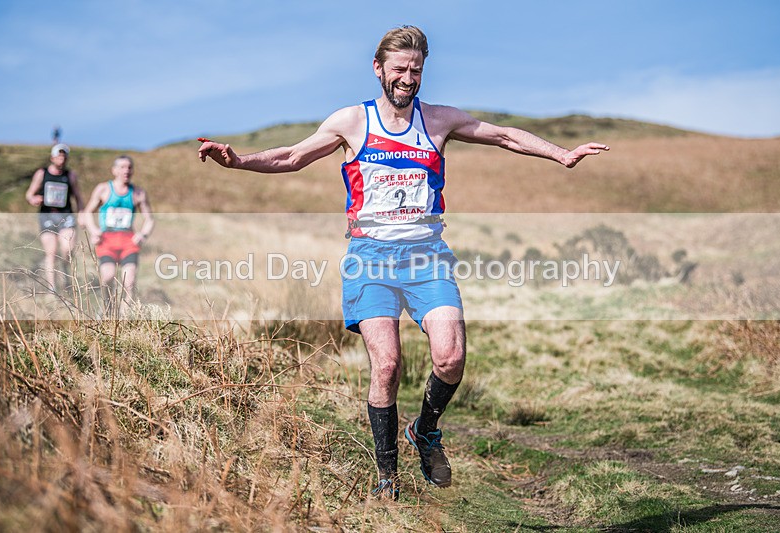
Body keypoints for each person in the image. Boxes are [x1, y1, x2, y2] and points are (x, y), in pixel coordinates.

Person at [198, 26, 608, 500]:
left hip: (427, 257)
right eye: (399, 70)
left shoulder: (438, 121)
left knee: (451, 357)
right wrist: (239, 160)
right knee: (387, 366)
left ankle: (425, 430)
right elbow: (292, 155)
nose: (407, 78)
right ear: (378, 69)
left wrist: (561, 154)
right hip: (370, 259)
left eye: (415, 70)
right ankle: (386, 478)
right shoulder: (352, 122)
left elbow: (503, 136)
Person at [83, 155, 154, 315]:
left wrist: (143, 234)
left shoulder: (138, 193)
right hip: (106, 240)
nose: (126, 170)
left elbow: (149, 219)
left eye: (129, 167)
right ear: (114, 170)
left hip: (128, 242)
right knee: (108, 277)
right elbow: (88, 212)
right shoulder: (103, 189)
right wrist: (94, 231)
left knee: (129, 282)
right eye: (122, 167)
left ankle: (124, 317)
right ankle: (108, 310)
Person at [25, 143, 85, 292]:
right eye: (59, 156)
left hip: (66, 216)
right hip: (47, 216)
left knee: (67, 250)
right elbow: (29, 194)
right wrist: (33, 199)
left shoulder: (70, 175)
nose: (62, 159)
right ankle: (52, 290)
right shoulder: (42, 173)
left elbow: (78, 196)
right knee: (51, 252)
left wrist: (82, 213)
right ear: (52, 157)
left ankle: (66, 280)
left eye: (64, 156)